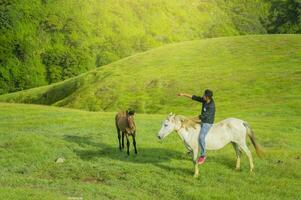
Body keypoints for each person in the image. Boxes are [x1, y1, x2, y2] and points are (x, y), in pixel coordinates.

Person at [177, 89, 215, 164]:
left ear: (207, 97)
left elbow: (201, 117)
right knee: (190, 131)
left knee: (201, 137)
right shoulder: (205, 100)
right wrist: (183, 94)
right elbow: (194, 97)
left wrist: (189, 119)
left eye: (204, 95)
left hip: (207, 122)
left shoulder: (211, 106)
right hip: (202, 120)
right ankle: (191, 150)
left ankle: (203, 155)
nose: (202, 96)